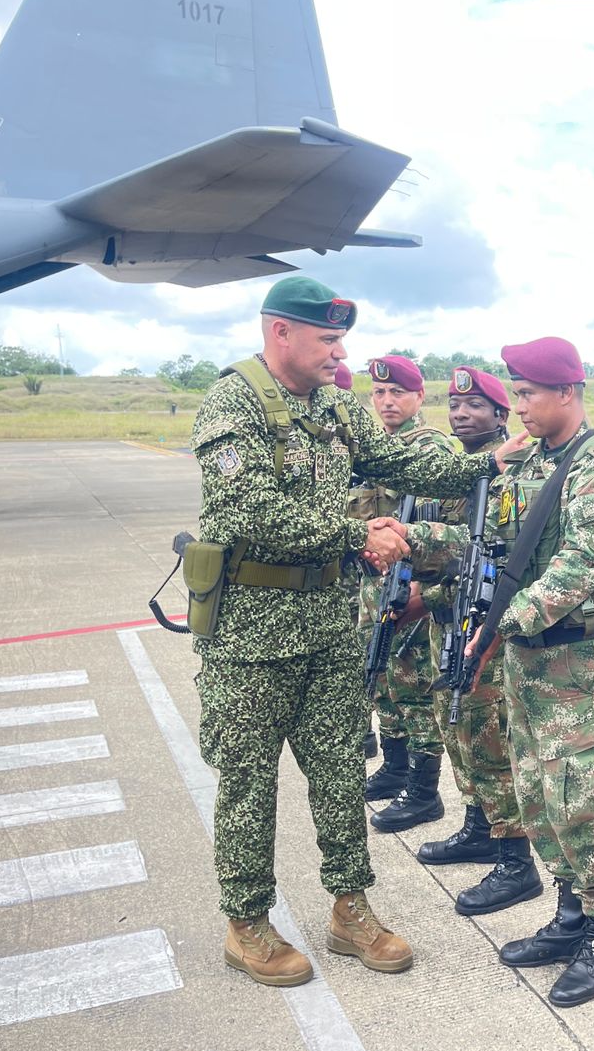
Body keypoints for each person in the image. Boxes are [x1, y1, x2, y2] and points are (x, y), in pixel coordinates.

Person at [188, 276, 521, 988]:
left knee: (339, 769)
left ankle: (350, 908)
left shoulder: (337, 409)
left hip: (328, 623)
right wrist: (356, 534)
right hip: (250, 630)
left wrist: (485, 463)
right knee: (247, 780)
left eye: (340, 339)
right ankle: (246, 922)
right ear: (281, 333)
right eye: (327, 340)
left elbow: (404, 460)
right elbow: (249, 511)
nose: (340, 353)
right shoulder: (233, 402)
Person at [401, 336, 594, 1007]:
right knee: (538, 797)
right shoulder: (533, 462)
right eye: (520, 392)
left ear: (568, 391)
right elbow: (495, 543)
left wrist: (504, 619)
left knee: (579, 800)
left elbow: (592, 556)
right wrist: (413, 540)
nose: (523, 405)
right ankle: (569, 914)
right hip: (528, 661)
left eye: (532, 393)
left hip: (578, 659)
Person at [415, 366, 543, 917]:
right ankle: (479, 826)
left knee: (487, 738)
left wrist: (420, 564)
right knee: (456, 728)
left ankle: (516, 861)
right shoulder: (453, 470)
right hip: (447, 617)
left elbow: (489, 548)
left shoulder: (509, 468)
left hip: (482, 624)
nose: (461, 414)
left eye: (475, 406)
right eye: (454, 405)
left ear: (500, 414)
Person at [352, 354, 454, 834]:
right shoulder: (380, 447)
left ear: (418, 398)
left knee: (413, 688)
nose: (387, 401)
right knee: (386, 683)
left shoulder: (427, 449)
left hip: (408, 585)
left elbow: (436, 525)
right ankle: (394, 767)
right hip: (376, 584)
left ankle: (423, 790)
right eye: (379, 393)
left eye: (397, 393)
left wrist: (418, 586)